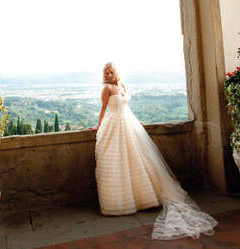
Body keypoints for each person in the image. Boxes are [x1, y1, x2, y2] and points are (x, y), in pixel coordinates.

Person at [90, 62, 218, 240]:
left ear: (116, 72)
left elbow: (126, 108)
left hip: (127, 123)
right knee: (118, 162)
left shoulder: (122, 85)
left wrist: (136, 122)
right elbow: (104, 109)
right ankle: (121, 203)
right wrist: (98, 126)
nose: (109, 75)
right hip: (114, 125)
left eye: (111, 71)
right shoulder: (107, 89)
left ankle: (145, 199)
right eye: (107, 72)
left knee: (138, 159)